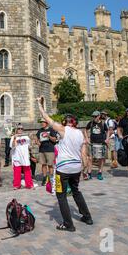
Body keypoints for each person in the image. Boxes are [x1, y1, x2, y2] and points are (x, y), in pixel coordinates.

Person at [37, 96, 93, 232]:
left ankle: (68, 224)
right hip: (76, 167)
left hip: (63, 168)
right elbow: (84, 154)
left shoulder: (63, 130)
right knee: (76, 191)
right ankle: (87, 217)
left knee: (61, 196)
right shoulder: (80, 133)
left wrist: (39, 103)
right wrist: (85, 169)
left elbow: (46, 118)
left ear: (65, 122)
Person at [84, 111, 109, 181]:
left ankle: (99, 173)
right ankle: (89, 173)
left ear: (99, 116)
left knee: (101, 159)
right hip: (92, 143)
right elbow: (85, 130)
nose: (94, 118)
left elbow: (108, 131)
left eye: (95, 116)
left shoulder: (103, 123)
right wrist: (86, 138)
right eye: (93, 116)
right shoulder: (91, 123)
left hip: (101, 143)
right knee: (90, 159)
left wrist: (107, 139)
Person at [10, 124, 34, 190]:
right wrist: (14, 138)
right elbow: (12, 146)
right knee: (17, 172)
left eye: (21, 129)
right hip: (17, 156)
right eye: (19, 128)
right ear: (16, 129)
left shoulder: (26, 137)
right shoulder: (13, 137)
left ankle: (29, 185)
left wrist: (32, 139)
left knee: (27, 171)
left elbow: (30, 147)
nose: (20, 130)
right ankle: (17, 185)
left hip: (25, 156)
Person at [35, 118, 57, 186]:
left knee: (50, 165)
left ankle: (51, 178)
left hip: (50, 149)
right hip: (42, 150)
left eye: (43, 122)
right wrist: (37, 142)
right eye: (41, 122)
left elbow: (54, 139)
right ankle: (44, 177)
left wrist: (48, 136)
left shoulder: (51, 130)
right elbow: (36, 138)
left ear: (47, 123)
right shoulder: (40, 130)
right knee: (43, 164)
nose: (42, 123)